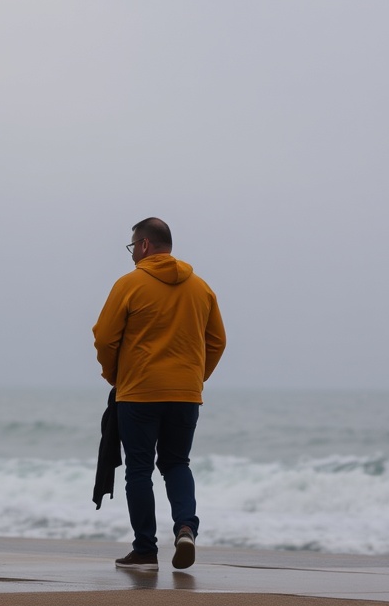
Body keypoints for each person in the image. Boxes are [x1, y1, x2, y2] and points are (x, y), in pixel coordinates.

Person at [93, 217, 226, 571]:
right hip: (185, 394)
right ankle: (185, 528)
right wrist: (195, 378)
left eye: (132, 246)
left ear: (144, 245)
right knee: (176, 463)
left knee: (139, 469)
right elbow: (217, 341)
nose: (132, 254)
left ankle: (145, 550)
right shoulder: (201, 288)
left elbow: (104, 338)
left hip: (138, 393)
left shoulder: (129, 284)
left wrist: (115, 376)